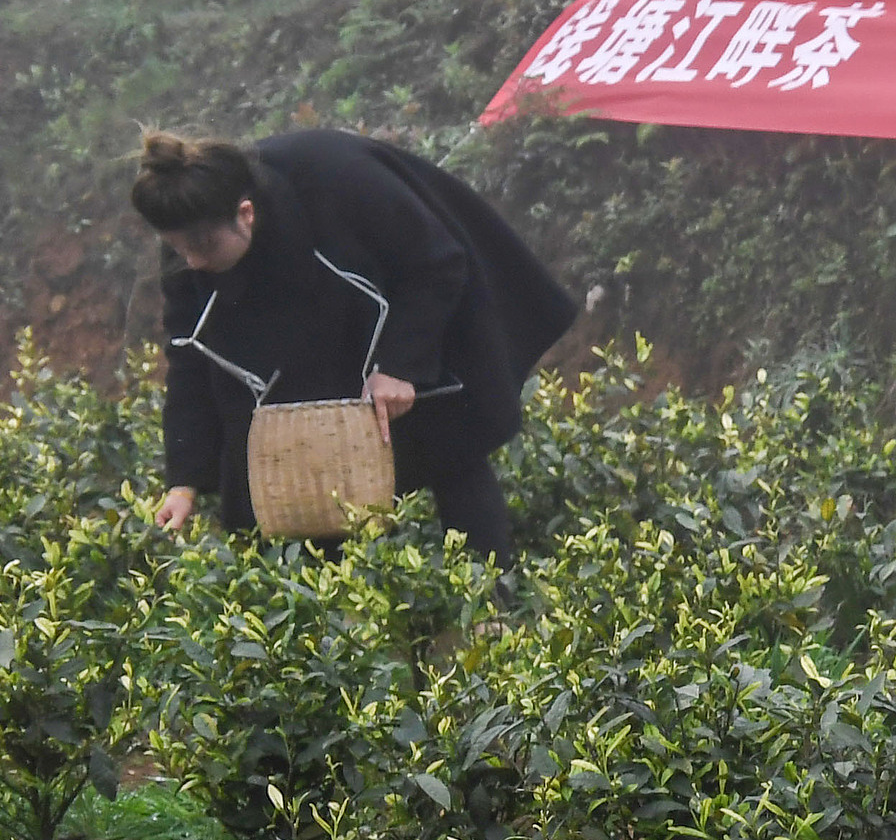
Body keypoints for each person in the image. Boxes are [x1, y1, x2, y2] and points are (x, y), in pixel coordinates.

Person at [131, 129, 577, 560]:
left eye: (202, 247)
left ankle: (489, 593)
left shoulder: (340, 180)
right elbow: (190, 356)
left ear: (245, 213)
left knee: (448, 442)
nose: (192, 261)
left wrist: (399, 365)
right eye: (178, 249)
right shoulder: (191, 237)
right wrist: (184, 481)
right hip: (294, 324)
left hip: (388, 296)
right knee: (282, 476)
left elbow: (436, 263)